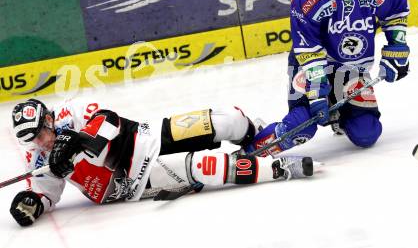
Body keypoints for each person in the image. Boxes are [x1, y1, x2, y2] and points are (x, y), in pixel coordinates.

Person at [9, 98, 319, 227]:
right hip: (132, 182)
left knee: (229, 120)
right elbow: (44, 194)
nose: (39, 142)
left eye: (40, 133)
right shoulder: (38, 158)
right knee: (204, 166)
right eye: (31, 139)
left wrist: (76, 141)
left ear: (49, 118)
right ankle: (276, 169)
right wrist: (31, 203)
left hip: (147, 138)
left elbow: (109, 121)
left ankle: (256, 141)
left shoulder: (69, 112)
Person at [244, 0, 410, 157]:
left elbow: (396, 11)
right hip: (308, 63)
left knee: (367, 134)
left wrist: (397, 49)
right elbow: (307, 49)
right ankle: (249, 149)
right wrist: (317, 92)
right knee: (301, 126)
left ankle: (341, 116)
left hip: (352, 69)